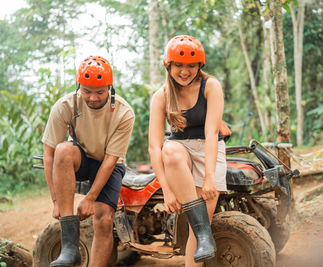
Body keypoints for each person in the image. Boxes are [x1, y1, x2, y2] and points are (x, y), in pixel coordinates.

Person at [42, 56, 135, 267]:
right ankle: (69, 248)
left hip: (109, 164)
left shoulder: (123, 112)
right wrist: (55, 201)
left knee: (103, 220)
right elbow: (49, 154)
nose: (93, 98)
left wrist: (91, 198)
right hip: (81, 158)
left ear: (109, 87)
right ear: (79, 87)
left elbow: (111, 160)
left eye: (100, 92)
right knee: (63, 149)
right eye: (87, 91)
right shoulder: (65, 106)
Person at [148, 35, 226, 266]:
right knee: (169, 149)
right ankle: (205, 234)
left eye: (191, 66)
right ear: (168, 65)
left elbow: (212, 133)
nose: (185, 71)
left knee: (198, 228)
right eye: (179, 65)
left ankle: (203, 237)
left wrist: (210, 177)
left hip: (209, 150)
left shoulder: (210, 86)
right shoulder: (160, 96)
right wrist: (167, 191)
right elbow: (154, 145)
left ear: (199, 66)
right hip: (178, 154)